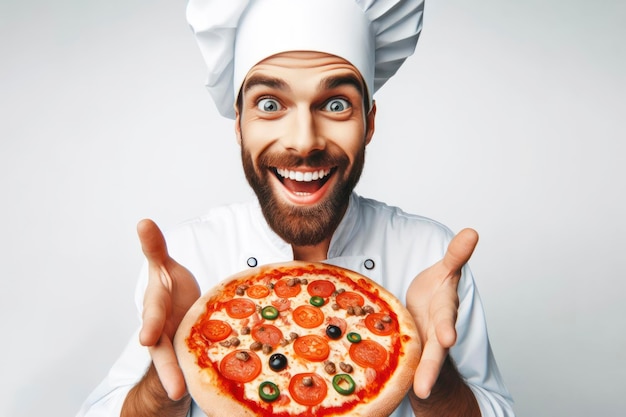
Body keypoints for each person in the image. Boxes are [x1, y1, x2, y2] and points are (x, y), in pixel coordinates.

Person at [78, 0, 515, 416]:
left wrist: (432, 377)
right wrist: (166, 372)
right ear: (239, 124)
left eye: (337, 104)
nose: (304, 141)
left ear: (370, 122)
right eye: (269, 104)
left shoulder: (429, 255)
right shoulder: (186, 255)